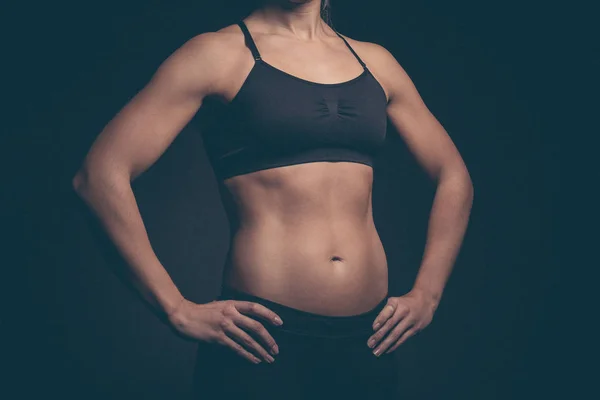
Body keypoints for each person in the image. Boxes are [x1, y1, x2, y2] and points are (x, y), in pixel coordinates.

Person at [72, 0, 474, 398]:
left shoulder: (376, 62)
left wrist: (428, 293)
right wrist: (175, 308)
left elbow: (453, 176)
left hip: (369, 341)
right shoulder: (217, 53)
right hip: (264, 343)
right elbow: (99, 176)